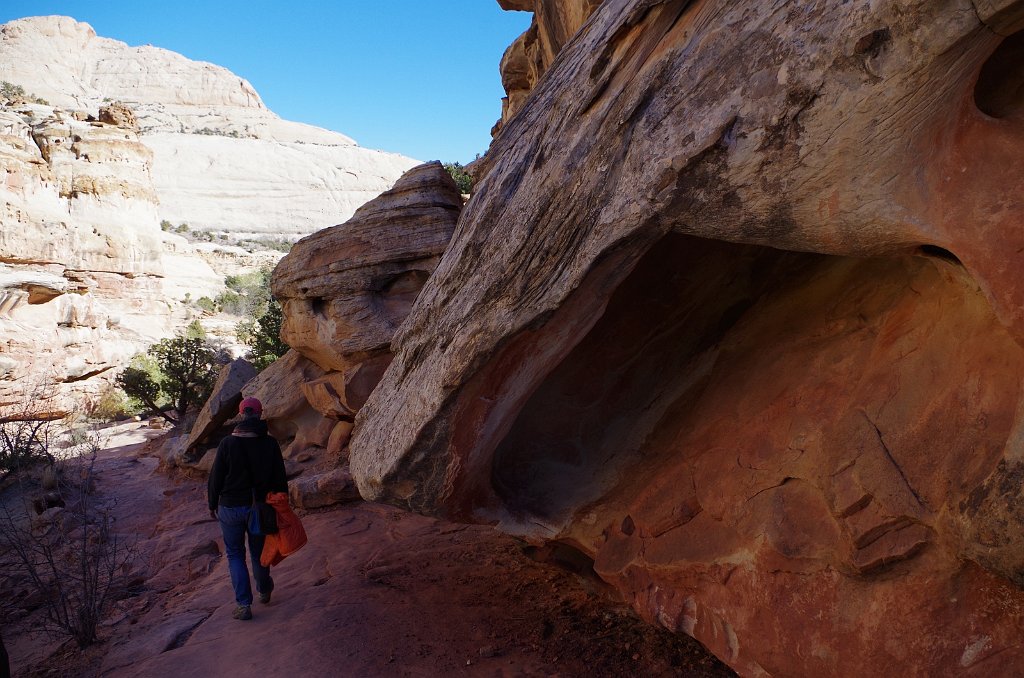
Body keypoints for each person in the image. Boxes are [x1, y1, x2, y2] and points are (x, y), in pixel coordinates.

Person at [208, 396, 287, 621]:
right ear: (260, 413)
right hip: (258, 508)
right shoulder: (269, 443)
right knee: (257, 552)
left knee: (234, 554)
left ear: (242, 414)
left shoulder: (228, 443)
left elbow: (216, 478)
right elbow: (280, 477)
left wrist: (212, 503)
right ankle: (263, 589)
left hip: (229, 507)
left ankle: (243, 605)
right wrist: (283, 503)